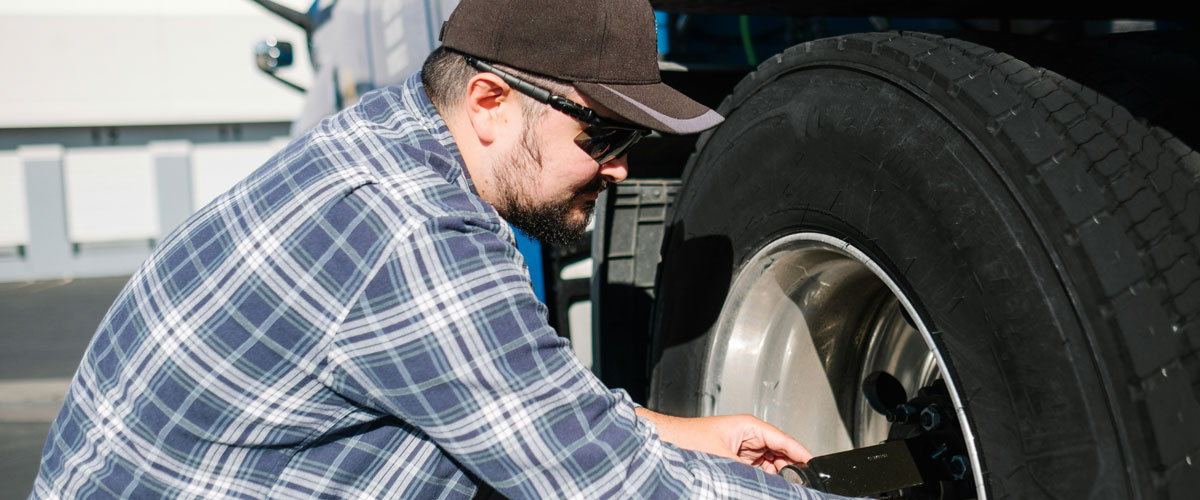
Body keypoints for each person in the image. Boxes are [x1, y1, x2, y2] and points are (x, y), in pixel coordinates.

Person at [31, 1, 855, 498]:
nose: (622, 165)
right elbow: (599, 482)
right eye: (601, 130)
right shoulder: (414, 232)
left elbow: (519, 399)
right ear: (491, 101)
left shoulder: (385, 141)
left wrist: (677, 432)